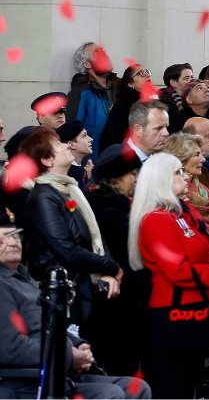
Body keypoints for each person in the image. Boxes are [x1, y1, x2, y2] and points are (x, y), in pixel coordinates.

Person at [0, 224, 152, 399]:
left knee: (137, 388)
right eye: (3, 239)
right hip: (26, 381)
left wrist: (78, 344)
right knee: (111, 394)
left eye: (15, 236)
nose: (12, 242)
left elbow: (52, 325)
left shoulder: (27, 280)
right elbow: (10, 349)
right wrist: (69, 356)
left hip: (58, 372)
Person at [130, 152, 209, 398]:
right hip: (174, 310)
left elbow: (199, 249)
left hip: (190, 306)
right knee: (173, 384)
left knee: (189, 382)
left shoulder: (178, 214)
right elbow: (175, 270)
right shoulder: (156, 220)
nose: (184, 177)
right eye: (177, 173)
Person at [20, 127, 122, 326]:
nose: (66, 145)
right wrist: (110, 266)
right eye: (58, 145)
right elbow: (66, 248)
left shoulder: (68, 189)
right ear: (47, 161)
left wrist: (108, 270)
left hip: (82, 286)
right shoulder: (43, 197)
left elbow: (95, 236)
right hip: (65, 293)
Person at [82, 144, 146, 378]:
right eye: (132, 174)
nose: (136, 179)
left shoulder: (114, 208)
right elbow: (128, 259)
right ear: (116, 178)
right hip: (117, 306)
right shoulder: (111, 213)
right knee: (119, 367)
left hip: (121, 302)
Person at [163, 132, 209, 256]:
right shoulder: (170, 194)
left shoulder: (202, 181)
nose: (203, 159)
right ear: (181, 160)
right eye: (197, 155)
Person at [67, 42, 118, 157]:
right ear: (87, 64)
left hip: (117, 162)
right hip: (92, 164)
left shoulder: (119, 90)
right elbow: (73, 134)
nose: (105, 55)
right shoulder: (80, 94)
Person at [98, 64, 153, 150]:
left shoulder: (148, 103)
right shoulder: (125, 105)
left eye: (147, 72)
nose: (146, 75)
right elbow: (112, 139)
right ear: (130, 84)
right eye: (140, 73)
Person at [171, 80, 209, 157]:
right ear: (189, 99)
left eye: (207, 87)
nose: (207, 90)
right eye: (199, 88)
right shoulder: (178, 126)